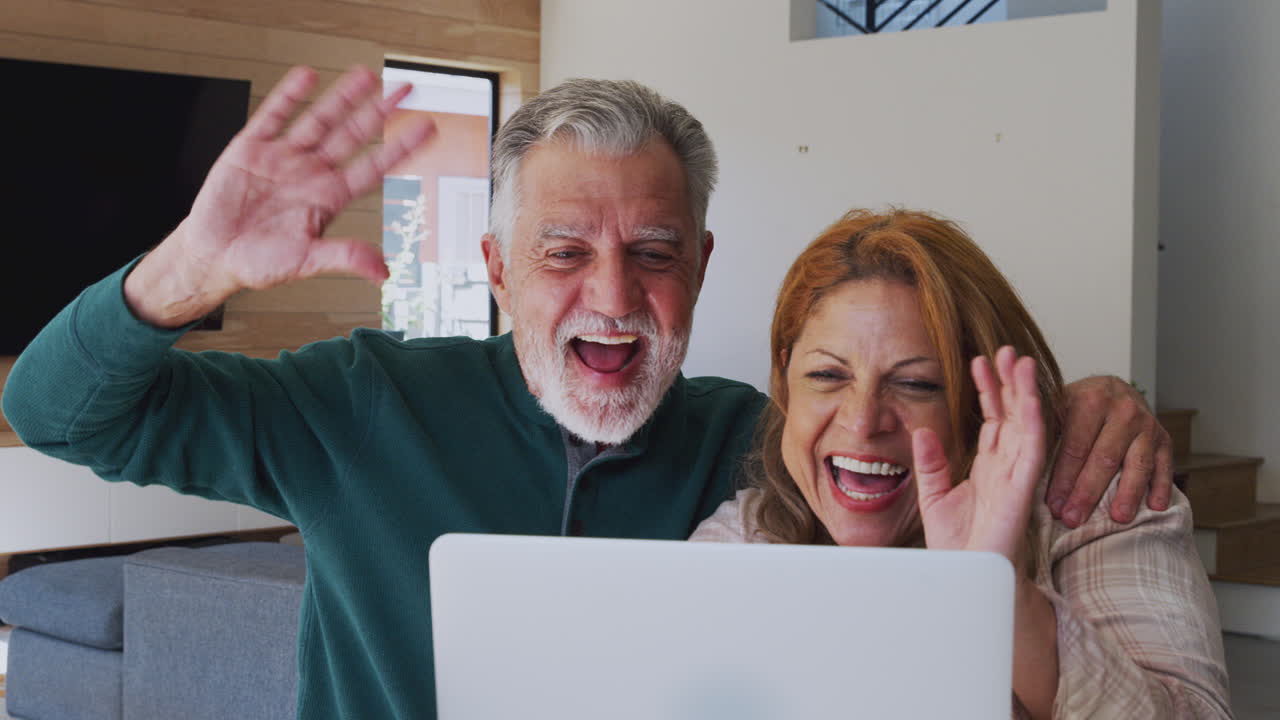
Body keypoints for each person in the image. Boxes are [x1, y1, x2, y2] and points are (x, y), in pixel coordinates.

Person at [2, 66, 1175, 718]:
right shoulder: (358, 401)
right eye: (563, 252)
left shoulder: (755, 446)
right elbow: (58, 412)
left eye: (652, 252)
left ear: (700, 266)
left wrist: (1078, 404)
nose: (611, 297)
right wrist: (186, 272)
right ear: (496, 268)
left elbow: (898, 455)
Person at [690, 209, 1230, 719]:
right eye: (828, 376)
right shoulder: (745, 538)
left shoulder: (1096, 504)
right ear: (784, 381)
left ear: (979, 403)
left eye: (916, 383)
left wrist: (997, 592)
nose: (862, 421)